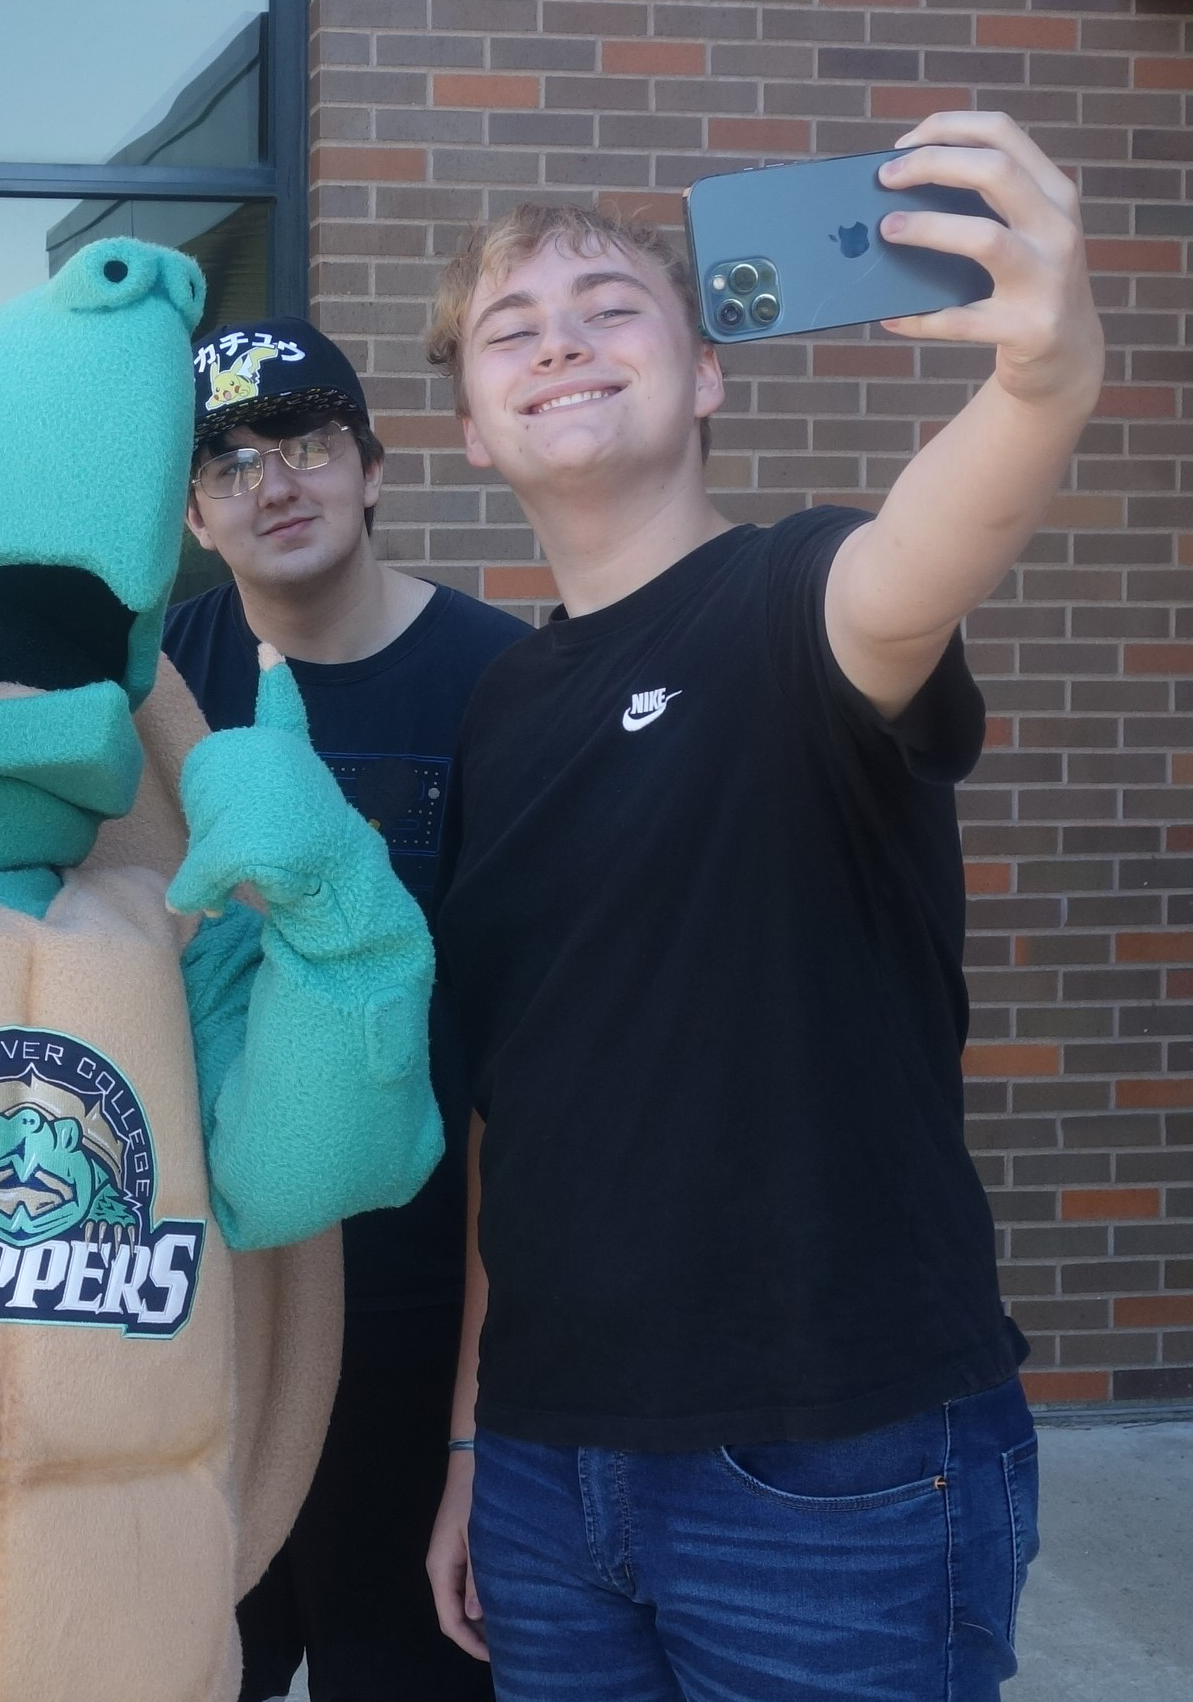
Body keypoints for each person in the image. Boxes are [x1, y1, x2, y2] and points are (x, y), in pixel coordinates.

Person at [418, 112, 1101, 1702]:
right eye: (509, 331)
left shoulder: (800, 596)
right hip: (543, 1462)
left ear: (708, 373)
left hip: (827, 1460)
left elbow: (914, 560)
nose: (560, 343)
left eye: (609, 309)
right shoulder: (500, 704)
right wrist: (471, 1435)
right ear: (465, 428)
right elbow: (510, 1119)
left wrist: (1040, 381)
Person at [164, 316, 526, 1701]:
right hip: (205, 1309)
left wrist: (475, 1429)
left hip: (413, 1304)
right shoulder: (145, 698)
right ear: (196, 514)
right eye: (228, 461)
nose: (273, 479)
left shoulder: (499, 686)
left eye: (306, 439)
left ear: (371, 468)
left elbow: (518, 1069)